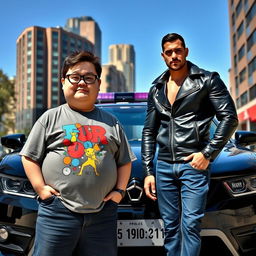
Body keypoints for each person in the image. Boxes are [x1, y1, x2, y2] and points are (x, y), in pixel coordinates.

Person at [20, 51, 136, 256]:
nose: (82, 82)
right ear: (63, 82)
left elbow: (124, 161)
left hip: (102, 215)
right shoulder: (50, 118)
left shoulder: (112, 122)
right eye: (75, 77)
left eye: (89, 77)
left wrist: (119, 192)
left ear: (98, 84)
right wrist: (41, 189)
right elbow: (29, 156)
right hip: (57, 212)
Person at [141, 33, 238, 256]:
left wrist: (207, 154)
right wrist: (148, 170)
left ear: (186, 51)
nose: (174, 56)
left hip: (193, 165)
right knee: (171, 228)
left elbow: (229, 117)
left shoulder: (207, 79)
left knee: (190, 227)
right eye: (169, 52)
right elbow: (149, 130)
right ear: (163, 56)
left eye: (178, 50)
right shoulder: (156, 88)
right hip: (164, 166)